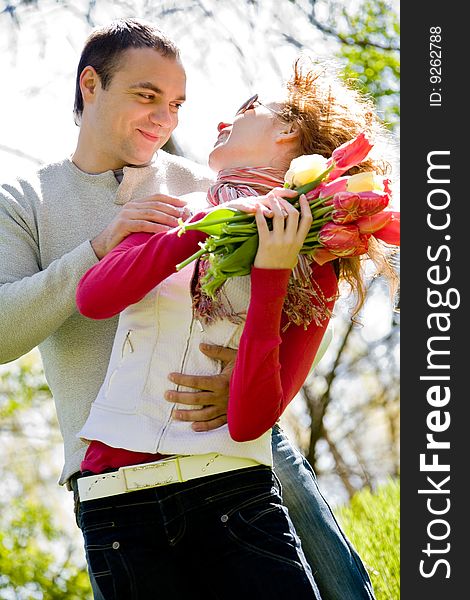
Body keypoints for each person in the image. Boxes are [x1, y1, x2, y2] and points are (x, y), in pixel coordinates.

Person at [0, 17, 377, 600]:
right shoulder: (25, 201)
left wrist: (263, 387)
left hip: (236, 452)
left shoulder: (212, 186)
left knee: (339, 587)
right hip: (112, 471)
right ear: (91, 85)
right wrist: (95, 250)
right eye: (146, 96)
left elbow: (298, 301)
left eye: (176, 104)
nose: (165, 119)